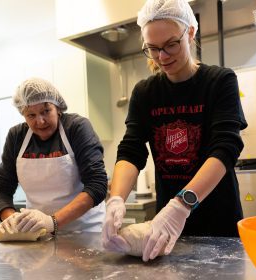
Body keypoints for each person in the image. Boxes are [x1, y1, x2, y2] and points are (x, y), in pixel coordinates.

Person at [102, 0, 248, 262]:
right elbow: (131, 150)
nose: (162, 57)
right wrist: (116, 199)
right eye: (153, 49)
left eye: (171, 44)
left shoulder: (220, 81)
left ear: (190, 33)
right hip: (167, 230)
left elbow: (226, 148)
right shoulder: (146, 93)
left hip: (220, 226)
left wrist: (182, 205)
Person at [0, 78, 107, 235]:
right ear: (23, 115)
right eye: (31, 115)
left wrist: (52, 222)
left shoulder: (76, 127)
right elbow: (1, 189)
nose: (40, 121)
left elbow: (97, 184)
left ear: (58, 107)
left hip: (86, 232)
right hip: (39, 234)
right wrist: (12, 220)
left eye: (46, 111)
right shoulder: (16, 136)